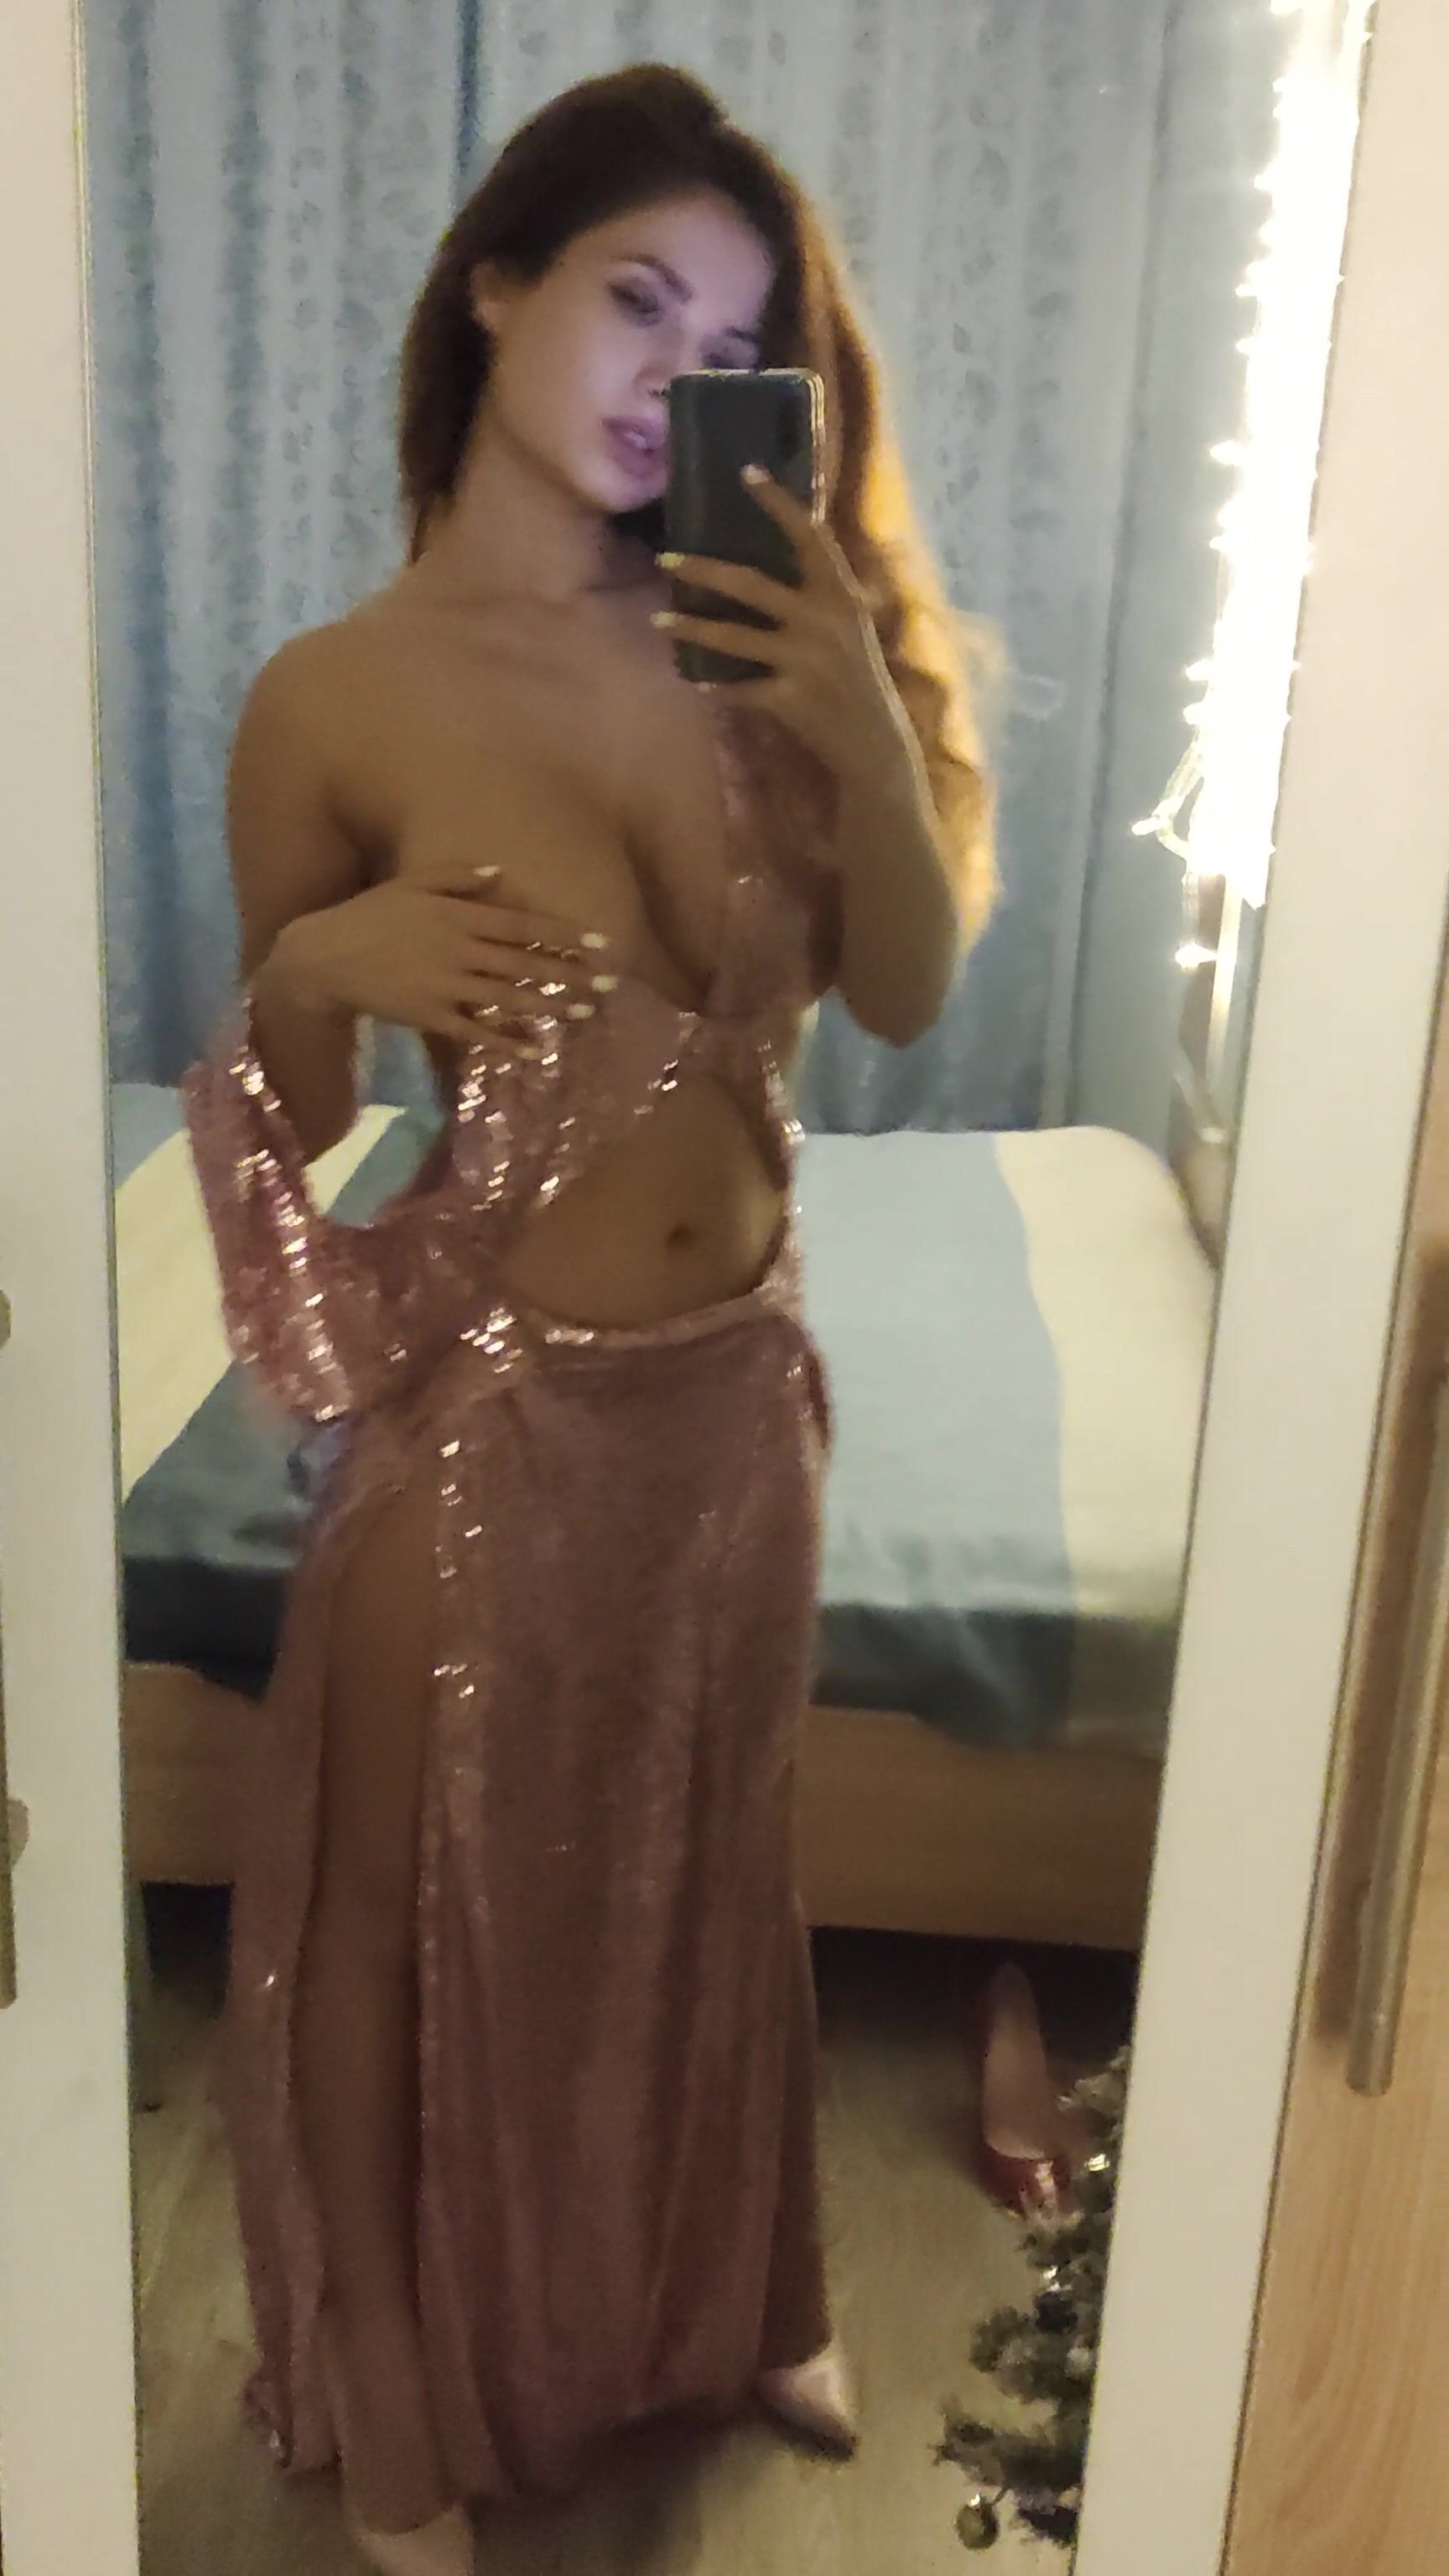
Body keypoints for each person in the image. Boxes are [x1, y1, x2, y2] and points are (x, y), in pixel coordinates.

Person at [184, 60, 994, 2576]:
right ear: (497, 289)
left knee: (712, 1869)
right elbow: (296, 1114)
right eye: (638, 298)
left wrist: (859, 716)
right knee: (395, 1923)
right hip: (494, 1425)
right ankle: (397, 2413)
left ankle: (740, 2294)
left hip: (737, 1409)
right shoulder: (334, 697)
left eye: (736, 342)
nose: (675, 373)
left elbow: (899, 997)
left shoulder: (752, 642)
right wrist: (314, 965)